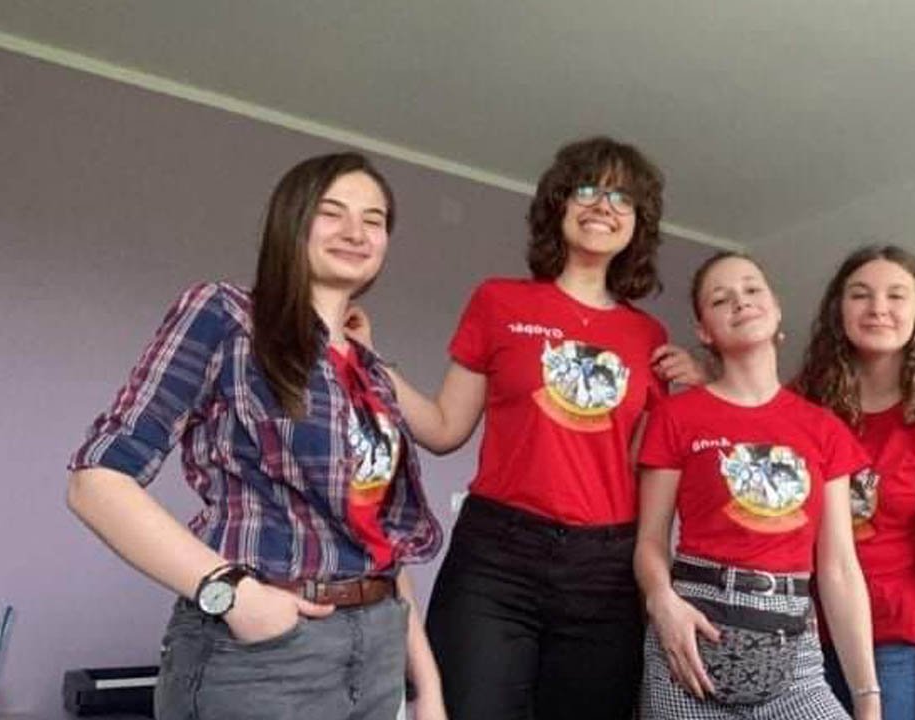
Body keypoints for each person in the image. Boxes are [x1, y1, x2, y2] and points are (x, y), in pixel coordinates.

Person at [66, 152, 444, 720]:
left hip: (379, 651)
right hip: (268, 656)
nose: (355, 232)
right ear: (292, 222)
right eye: (331, 212)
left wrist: (428, 688)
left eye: (374, 220)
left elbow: (376, 538)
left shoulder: (370, 372)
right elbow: (97, 479)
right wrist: (232, 594)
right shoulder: (228, 315)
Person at [345, 136, 701, 720]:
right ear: (559, 204)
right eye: (587, 189)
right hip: (496, 560)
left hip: (605, 569)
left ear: (637, 223)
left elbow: (656, 466)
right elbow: (443, 429)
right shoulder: (499, 301)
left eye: (622, 198)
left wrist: (707, 384)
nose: (603, 205)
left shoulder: (649, 338)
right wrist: (370, 359)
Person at [635, 251, 880, 720]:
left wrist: (868, 697)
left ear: (776, 309)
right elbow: (650, 540)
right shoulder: (676, 417)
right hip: (689, 640)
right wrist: (661, 601)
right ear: (705, 331)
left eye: (752, 289)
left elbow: (839, 569)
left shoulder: (823, 429)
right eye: (720, 298)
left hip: (793, 648)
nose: (740, 301)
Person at [795, 244, 915, 720]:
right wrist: (706, 377)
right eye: (861, 294)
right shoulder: (807, 412)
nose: (878, 308)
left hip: (896, 650)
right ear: (838, 311)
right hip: (808, 643)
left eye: (896, 295)